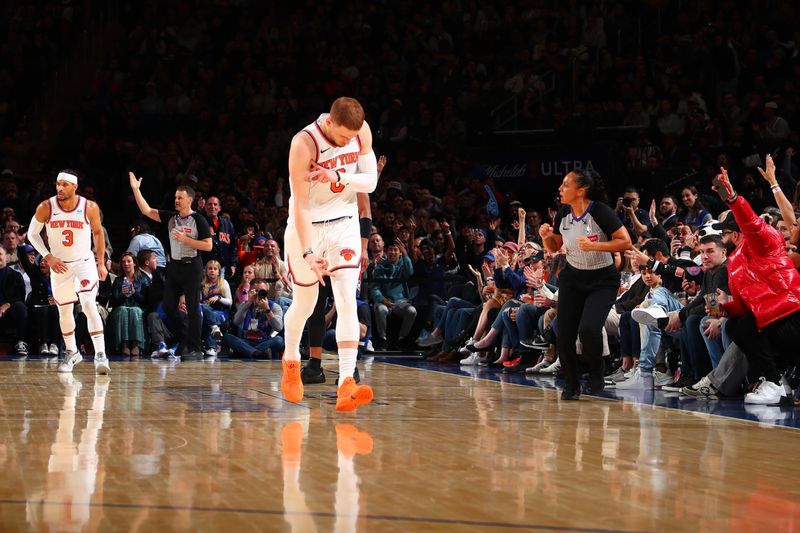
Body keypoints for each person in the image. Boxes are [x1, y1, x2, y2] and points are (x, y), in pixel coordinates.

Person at [280, 96, 377, 411]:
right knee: (305, 305)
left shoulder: (360, 132)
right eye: (344, 137)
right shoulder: (304, 144)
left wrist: (337, 176)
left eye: (354, 136)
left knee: (348, 299)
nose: (349, 142)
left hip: (343, 224)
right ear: (330, 122)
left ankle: (346, 382)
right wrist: (308, 252)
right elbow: (300, 205)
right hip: (307, 227)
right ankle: (292, 360)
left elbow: (371, 182)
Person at [709, 167, 800, 405]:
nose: (723, 239)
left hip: (794, 312)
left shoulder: (765, 241)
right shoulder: (735, 264)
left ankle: (772, 381)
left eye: (726, 233)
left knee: (749, 324)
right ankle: (776, 380)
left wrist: (733, 199)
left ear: (738, 234)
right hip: (775, 318)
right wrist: (725, 307)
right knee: (735, 325)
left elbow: (752, 223)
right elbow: (743, 305)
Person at [539, 169, 631, 400]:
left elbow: (625, 241)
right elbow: (553, 247)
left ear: (580, 191)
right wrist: (546, 236)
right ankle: (572, 384)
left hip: (602, 279)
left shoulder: (600, 211)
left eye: (565, 185)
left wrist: (597, 246)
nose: (560, 189)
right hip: (573, 277)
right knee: (564, 333)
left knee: (589, 329)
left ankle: (597, 372)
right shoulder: (563, 214)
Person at [26, 170, 109, 374]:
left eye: (64, 184)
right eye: (57, 184)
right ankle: (72, 352)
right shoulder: (46, 207)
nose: (59, 188)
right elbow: (32, 234)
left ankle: (101, 355)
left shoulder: (89, 207)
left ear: (75, 187)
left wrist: (100, 263)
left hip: (83, 263)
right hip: (59, 265)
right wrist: (48, 256)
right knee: (64, 311)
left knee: (89, 304)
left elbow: (98, 233)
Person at [129, 172, 212, 361]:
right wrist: (136, 190)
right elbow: (147, 210)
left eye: (180, 198)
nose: (176, 200)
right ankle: (184, 337)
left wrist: (186, 240)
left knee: (192, 307)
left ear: (189, 200)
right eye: (175, 197)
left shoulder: (198, 219)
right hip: (174, 266)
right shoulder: (171, 218)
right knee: (167, 306)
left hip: (192, 266)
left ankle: (195, 348)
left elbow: (208, 245)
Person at [221, 278, 284, 358]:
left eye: (262, 291)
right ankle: (256, 353)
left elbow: (278, 327)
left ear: (267, 291)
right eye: (257, 291)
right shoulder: (245, 304)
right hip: (246, 340)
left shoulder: (274, 306)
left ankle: (247, 352)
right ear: (250, 291)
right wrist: (248, 303)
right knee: (227, 337)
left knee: (279, 340)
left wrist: (267, 310)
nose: (260, 294)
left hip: (264, 341)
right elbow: (236, 322)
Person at [108, 251, 150, 356]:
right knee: (122, 311)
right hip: (121, 307)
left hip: (137, 307)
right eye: (123, 262)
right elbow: (113, 302)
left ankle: (137, 344)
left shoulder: (143, 279)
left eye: (129, 261)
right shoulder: (118, 280)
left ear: (134, 263)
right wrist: (122, 294)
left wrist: (135, 293)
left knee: (135, 311)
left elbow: (146, 301)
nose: (126, 264)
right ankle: (124, 345)